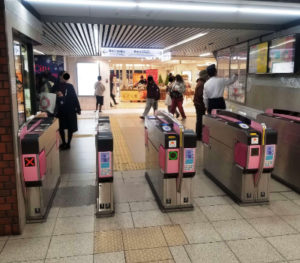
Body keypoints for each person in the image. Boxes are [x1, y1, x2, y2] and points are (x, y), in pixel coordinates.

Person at [54, 71, 81, 150]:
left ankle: (68, 143)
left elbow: (75, 97)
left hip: (70, 109)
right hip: (60, 110)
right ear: (60, 76)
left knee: (70, 127)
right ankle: (63, 142)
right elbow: (51, 97)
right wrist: (57, 95)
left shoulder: (70, 86)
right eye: (64, 75)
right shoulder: (55, 87)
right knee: (61, 127)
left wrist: (78, 108)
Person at [193, 70, 208, 141]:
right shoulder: (202, 84)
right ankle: (198, 136)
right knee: (200, 120)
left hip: (198, 104)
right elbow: (200, 95)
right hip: (200, 105)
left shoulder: (200, 82)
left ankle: (198, 135)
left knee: (199, 119)